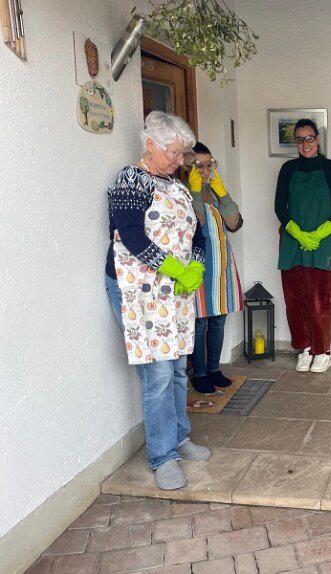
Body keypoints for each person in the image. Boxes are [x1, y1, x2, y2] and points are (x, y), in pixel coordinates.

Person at [105, 111, 212, 491]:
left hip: (175, 291)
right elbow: (132, 237)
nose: (180, 161)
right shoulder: (130, 180)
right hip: (138, 290)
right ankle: (162, 456)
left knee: (179, 368)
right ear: (150, 144)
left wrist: (195, 267)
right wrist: (176, 269)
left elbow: (197, 234)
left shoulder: (177, 186)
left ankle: (180, 437)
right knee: (159, 374)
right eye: (174, 153)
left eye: (183, 154)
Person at [274, 119, 331, 373]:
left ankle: (322, 351)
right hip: (292, 243)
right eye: (299, 139)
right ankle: (304, 348)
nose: (305, 144)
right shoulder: (287, 169)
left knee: (319, 301)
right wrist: (296, 232)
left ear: (317, 139)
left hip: (321, 243)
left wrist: (318, 234)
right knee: (294, 300)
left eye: (309, 138)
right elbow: (279, 207)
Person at [186, 142, 244, 394]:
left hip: (221, 264)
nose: (205, 171)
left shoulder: (214, 191)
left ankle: (214, 369)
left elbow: (234, 223)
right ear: (187, 166)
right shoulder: (182, 193)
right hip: (198, 266)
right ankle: (199, 373)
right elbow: (194, 224)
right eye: (198, 166)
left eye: (209, 165)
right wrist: (195, 191)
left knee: (218, 319)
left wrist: (222, 191)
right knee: (199, 321)